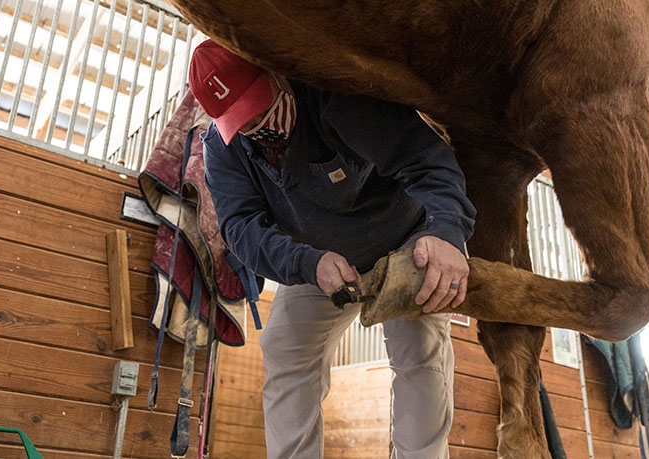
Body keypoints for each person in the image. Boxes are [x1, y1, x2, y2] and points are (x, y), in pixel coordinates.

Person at [189, 39, 476, 459]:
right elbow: (241, 228)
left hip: (404, 237)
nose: (255, 126)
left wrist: (448, 231)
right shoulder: (222, 147)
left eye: (258, 108)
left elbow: (425, 159)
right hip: (319, 260)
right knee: (284, 348)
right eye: (240, 121)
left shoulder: (335, 94)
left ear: (274, 72)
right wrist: (307, 262)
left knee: (419, 353)